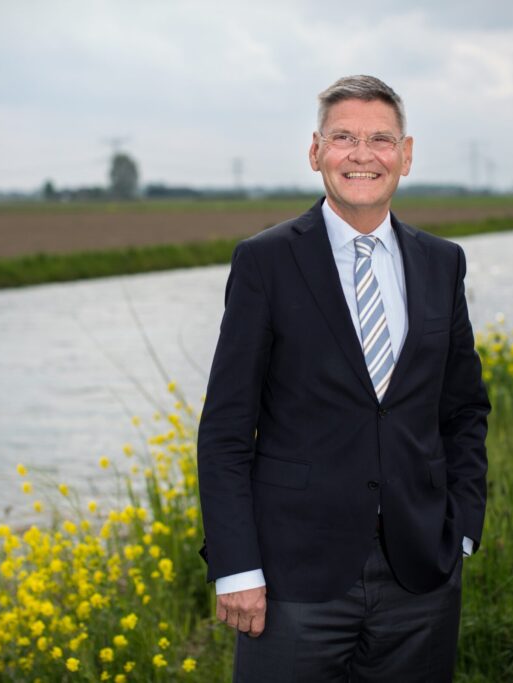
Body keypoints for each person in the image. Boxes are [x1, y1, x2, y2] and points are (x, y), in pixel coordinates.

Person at [197, 74, 490, 682]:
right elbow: (226, 429)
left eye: (381, 138)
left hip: (420, 575)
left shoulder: (443, 262)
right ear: (316, 151)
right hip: (291, 579)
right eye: (344, 138)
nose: (363, 154)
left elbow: (463, 410)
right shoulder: (265, 262)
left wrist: (461, 529)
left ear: (405, 156)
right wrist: (237, 568)